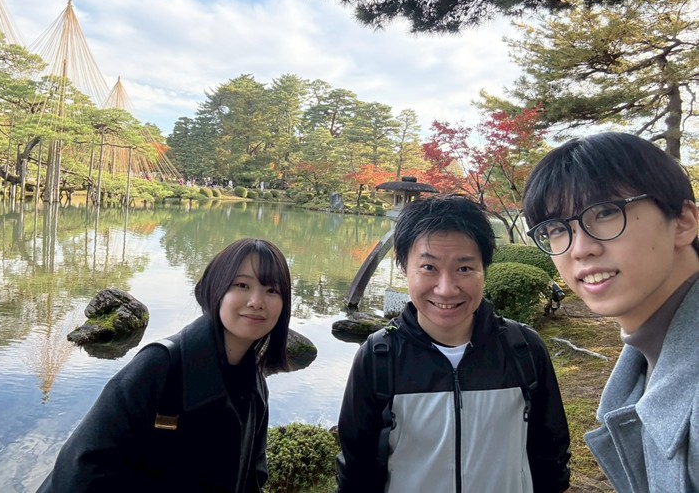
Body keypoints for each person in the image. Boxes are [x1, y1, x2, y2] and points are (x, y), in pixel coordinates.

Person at [336, 195, 571, 492]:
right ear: (405, 269)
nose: (446, 289)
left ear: (484, 269)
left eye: (464, 269)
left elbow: (551, 459)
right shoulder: (379, 356)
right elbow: (356, 471)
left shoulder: (523, 350)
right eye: (428, 267)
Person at [37, 238, 292, 492]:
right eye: (242, 285)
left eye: (272, 290)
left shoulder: (254, 386)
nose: (257, 301)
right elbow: (81, 469)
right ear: (216, 289)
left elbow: (252, 479)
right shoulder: (160, 366)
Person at [523, 132, 699, 492]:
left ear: (682, 222)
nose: (580, 249)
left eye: (605, 212)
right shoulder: (646, 357)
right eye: (556, 229)